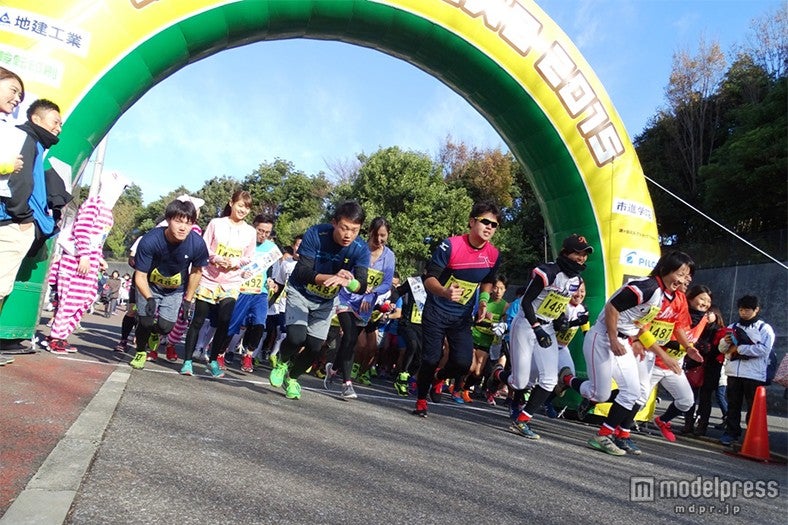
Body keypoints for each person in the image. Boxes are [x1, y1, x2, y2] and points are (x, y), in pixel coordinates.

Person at [562, 251, 691, 455]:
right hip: (602, 338)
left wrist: (653, 349)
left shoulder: (661, 294)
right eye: (681, 274)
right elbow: (612, 307)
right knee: (600, 393)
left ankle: (603, 435)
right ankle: (567, 380)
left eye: (686, 276)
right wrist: (613, 339)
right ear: (666, 269)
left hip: (622, 342)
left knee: (634, 392)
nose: (684, 280)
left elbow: (639, 325)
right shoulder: (647, 287)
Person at [487, 234, 592, 438]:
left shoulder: (576, 280)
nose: (581, 258)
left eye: (584, 254)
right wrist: (536, 327)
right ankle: (498, 373)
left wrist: (561, 319)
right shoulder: (548, 271)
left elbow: (558, 303)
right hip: (526, 325)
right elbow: (526, 302)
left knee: (549, 380)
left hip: (548, 327)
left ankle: (523, 420)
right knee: (520, 382)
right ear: (565, 253)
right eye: (577, 253)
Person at [269, 200, 370, 400]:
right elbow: (303, 271)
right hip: (301, 292)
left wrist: (347, 282)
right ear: (334, 223)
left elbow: (362, 284)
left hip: (325, 302)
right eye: (344, 228)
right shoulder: (316, 234)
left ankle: (293, 377)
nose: (348, 235)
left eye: (355, 230)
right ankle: (282, 361)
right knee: (297, 337)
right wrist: (327, 278)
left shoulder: (360, 249)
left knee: (315, 346)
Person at [412, 202, 501, 418]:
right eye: (485, 222)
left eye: (494, 225)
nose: (489, 227)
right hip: (437, 310)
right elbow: (429, 278)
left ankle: (439, 378)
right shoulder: (450, 246)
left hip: (461, 317)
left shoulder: (494, 254)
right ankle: (421, 401)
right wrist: (444, 291)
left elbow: (488, 281)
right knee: (430, 358)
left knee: (463, 363)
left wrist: (483, 301)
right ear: (472, 222)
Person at [47, 170, 130, 353]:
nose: (120, 192)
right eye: (120, 188)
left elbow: (96, 239)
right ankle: (56, 338)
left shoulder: (106, 210)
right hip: (77, 262)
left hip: (88, 262)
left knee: (84, 300)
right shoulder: (94, 204)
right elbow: (82, 230)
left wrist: (97, 257)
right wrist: (84, 255)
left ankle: (61, 335)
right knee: (70, 301)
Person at [180, 190, 256, 378]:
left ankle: (213, 360)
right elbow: (204, 247)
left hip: (231, 281)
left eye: (246, 208)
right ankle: (187, 361)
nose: (243, 210)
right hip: (209, 278)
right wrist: (215, 258)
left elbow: (249, 257)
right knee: (199, 319)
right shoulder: (216, 224)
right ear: (231, 203)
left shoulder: (250, 231)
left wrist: (235, 263)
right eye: (240, 205)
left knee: (224, 320)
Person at [128, 199, 209, 369]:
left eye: (188, 223)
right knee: (145, 322)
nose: (183, 227)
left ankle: (156, 335)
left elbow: (196, 272)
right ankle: (141, 351)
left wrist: (188, 300)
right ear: (168, 220)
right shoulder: (150, 240)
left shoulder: (197, 243)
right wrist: (149, 298)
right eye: (178, 221)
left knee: (165, 327)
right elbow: (140, 275)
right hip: (149, 285)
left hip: (175, 290)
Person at [0, 99, 60, 309]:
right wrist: (24, 217)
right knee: (0, 288)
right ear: (36, 118)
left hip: (13, 220)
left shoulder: (34, 142)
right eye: (55, 122)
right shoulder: (27, 138)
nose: (58, 128)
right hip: (13, 223)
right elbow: (20, 181)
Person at [327, 217, 395, 399]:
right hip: (346, 298)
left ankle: (333, 369)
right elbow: (342, 268)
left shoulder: (389, 257)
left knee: (349, 341)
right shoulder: (357, 247)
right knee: (350, 337)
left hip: (365, 304)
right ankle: (347, 384)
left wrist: (371, 293)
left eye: (383, 236)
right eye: (376, 235)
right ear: (370, 232)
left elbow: (387, 283)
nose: (379, 239)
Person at [222, 213, 280, 373]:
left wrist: (271, 281)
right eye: (260, 231)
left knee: (260, 324)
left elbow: (272, 272)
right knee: (233, 325)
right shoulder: (242, 242)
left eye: (267, 232)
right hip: (241, 290)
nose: (263, 235)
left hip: (260, 292)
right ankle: (220, 352)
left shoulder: (272, 249)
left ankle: (248, 355)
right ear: (253, 227)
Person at [718, 295, 775, 446]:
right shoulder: (733, 326)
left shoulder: (764, 328)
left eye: (747, 310)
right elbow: (722, 349)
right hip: (733, 372)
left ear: (756, 310)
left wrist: (740, 348)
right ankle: (731, 433)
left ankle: (753, 435)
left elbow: (764, 349)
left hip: (754, 374)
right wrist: (725, 342)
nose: (743, 313)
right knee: (733, 405)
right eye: (741, 309)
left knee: (753, 407)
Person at [454, 276, 509, 404]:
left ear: (505, 290)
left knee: (478, 372)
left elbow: (506, 324)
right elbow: (472, 315)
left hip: (487, 341)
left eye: (501, 289)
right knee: (469, 366)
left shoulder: (505, 306)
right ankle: (457, 389)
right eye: (495, 288)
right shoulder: (483, 300)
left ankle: (465, 389)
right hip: (473, 336)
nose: (498, 291)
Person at [683, 304, 725, 436]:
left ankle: (702, 426)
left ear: (716, 315)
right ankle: (688, 424)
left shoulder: (719, 331)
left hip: (711, 368)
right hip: (694, 366)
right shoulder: (696, 328)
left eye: (709, 313)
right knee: (690, 397)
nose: (706, 316)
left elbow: (713, 350)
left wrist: (700, 344)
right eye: (705, 314)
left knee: (705, 399)